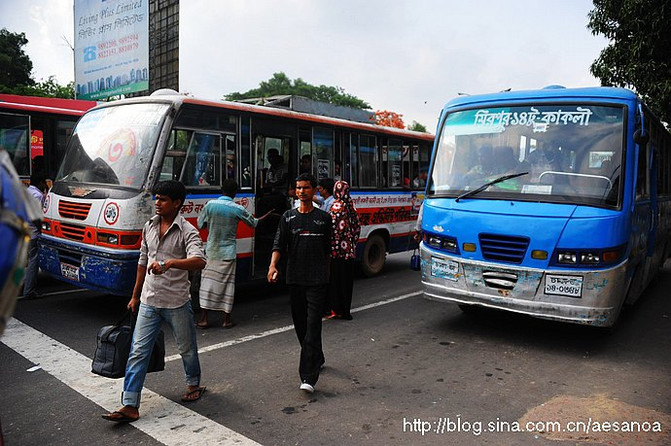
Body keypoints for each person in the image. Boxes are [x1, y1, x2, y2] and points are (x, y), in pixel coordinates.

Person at [103, 180, 207, 423]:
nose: (157, 203)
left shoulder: (187, 230)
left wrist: (170, 263)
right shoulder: (149, 226)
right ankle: (130, 404)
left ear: (177, 203)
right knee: (138, 351)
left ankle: (193, 384)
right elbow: (142, 261)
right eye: (156, 198)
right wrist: (134, 295)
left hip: (177, 302)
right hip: (149, 300)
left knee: (186, 349)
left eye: (162, 199)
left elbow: (199, 260)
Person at [268, 173, 331, 394]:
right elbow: (279, 244)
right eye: (298, 188)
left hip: (317, 280)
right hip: (295, 279)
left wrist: (326, 277)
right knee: (301, 327)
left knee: (313, 325)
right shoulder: (288, 217)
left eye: (305, 188)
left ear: (314, 191)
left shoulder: (324, 219)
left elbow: (327, 251)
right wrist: (273, 266)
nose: (301, 192)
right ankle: (318, 356)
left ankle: (308, 376)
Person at [197, 179, 272, 329]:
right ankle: (226, 320)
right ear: (235, 192)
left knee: (207, 285)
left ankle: (204, 318)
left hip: (211, 251)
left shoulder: (210, 205)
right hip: (228, 253)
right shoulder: (237, 208)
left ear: (221, 190)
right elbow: (254, 223)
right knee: (227, 286)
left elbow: (201, 224)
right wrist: (268, 215)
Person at [326, 181, 361, 320]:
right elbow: (357, 227)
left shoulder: (336, 206)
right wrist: (351, 244)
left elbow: (332, 228)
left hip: (336, 252)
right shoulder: (350, 205)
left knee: (335, 281)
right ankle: (346, 311)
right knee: (347, 283)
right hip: (349, 251)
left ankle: (336, 310)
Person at [21, 173, 47, 300]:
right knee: (33, 261)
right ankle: (29, 290)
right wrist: (41, 230)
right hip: (33, 233)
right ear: (41, 182)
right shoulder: (37, 195)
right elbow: (36, 216)